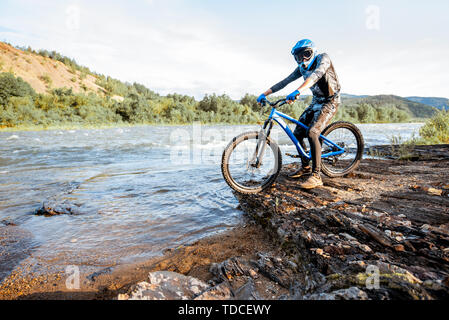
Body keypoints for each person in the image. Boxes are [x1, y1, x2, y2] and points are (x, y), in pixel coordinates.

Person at [257, 39, 341, 189]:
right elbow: (285, 82)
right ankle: (305, 167)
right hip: (317, 101)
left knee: (313, 133)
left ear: (313, 52)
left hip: (330, 101)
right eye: (299, 56)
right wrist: (264, 93)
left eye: (306, 54)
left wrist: (298, 91)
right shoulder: (301, 68)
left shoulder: (323, 58)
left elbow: (316, 75)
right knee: (297, 134)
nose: (303, 59)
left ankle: (316, 176)